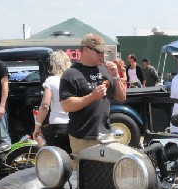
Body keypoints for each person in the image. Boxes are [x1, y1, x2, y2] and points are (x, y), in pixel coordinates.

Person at [59, 33, 126, 162]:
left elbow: (121, 97)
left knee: (107, 174)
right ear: (85, 49)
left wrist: (116, 76)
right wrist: (91, 97)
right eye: (98, 52)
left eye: (103, 52)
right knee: (84, 176)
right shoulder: (71, 74)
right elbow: (66, 105)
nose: (103, 55)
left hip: (106, 135)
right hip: (83, 137)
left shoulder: (105, 70)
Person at [32, 50, 72, 153]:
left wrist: (38, 125)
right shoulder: (73, 78)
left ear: (53, 65)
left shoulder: (51, 80)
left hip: (57, 124)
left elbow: (45, 105)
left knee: (58, 160)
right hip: (74, 124)